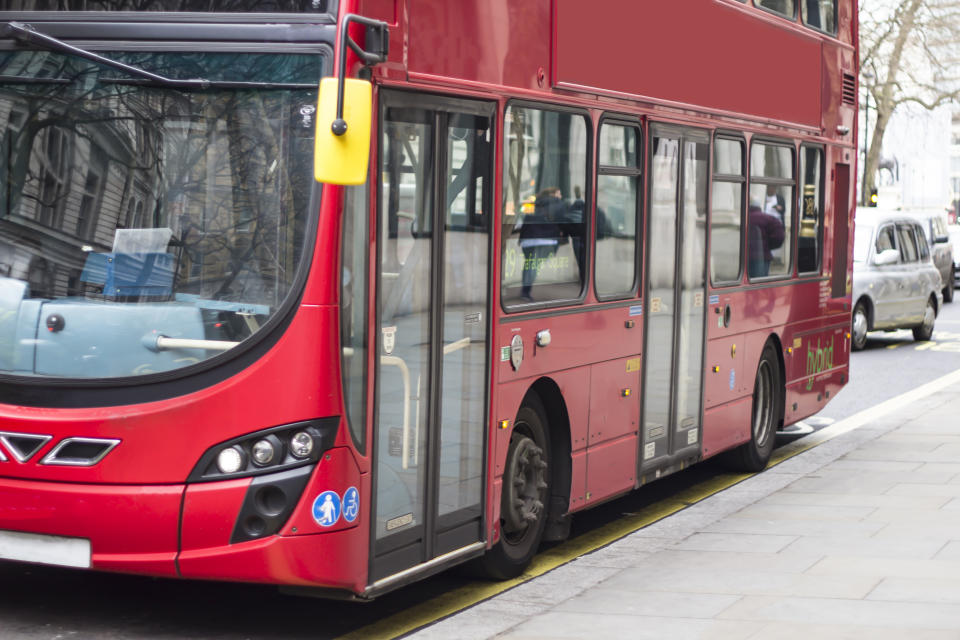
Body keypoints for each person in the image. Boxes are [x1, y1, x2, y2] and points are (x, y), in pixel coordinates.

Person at [518, 187, 563, 301]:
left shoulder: (533, 202)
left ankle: (525, 289)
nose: (560, 196)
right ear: (552, 194)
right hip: (545, 239)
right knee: (534, 264)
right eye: (559, 193)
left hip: (527, 239)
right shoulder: (557, 203)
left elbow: (523, 218)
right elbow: (562, 221)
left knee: (529, 264)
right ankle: (525, 292)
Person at [748, 203, 785, 278]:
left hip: (744, 258)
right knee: (760, 284)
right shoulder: (770, 219)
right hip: (762, 258)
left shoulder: (743, 218)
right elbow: (779, 237)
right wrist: (767, 247)